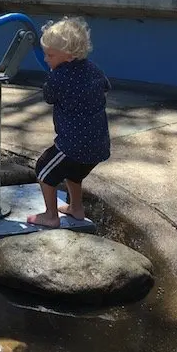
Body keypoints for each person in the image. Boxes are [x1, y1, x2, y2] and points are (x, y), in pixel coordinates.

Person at [27, 17, 111, 228]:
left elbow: (48, 97)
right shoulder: (94, 70)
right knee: (74, 173)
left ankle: (51, 216)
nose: (46, 59)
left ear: (70, 56)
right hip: (99, 143)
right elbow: (105, 86)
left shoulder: (59, 77)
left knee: (44, 170)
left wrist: (54, 80)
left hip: (72, 144)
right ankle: (76, 208)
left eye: (50, 55)